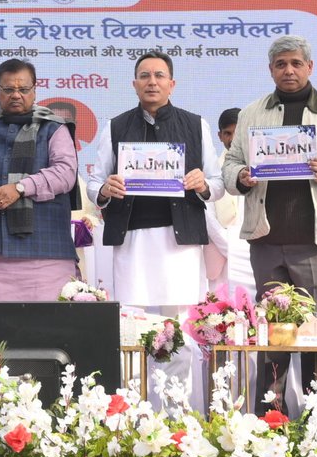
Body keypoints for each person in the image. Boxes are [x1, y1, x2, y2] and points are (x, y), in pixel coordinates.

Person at [220, 37, 317, 408]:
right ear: (270, 69)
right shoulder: (252, 113)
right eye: (280, 64)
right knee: (272, 337)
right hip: (266, 239)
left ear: (310, 67)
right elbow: (230, 164)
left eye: (295, 63)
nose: (288, 70)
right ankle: (270, 421)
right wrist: (240, 176)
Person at [88, 52, 223, 309]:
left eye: (159, 75)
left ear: (172, 84)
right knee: (132, 316)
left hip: (181, 239)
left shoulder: (196, 125)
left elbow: (217, 184)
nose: (152, 82)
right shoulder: (115, 126)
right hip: (132, 238)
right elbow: (94, 184)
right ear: (134, 84)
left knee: (181, 317)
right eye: (144, 76)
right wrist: (105, 190)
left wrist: (203, 185)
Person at [0, 59, 81, 301]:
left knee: (49, 322)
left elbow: (65, 173)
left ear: (35, 90)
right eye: (8, 89)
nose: (16, 95)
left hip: (44, 251)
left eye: (23, 89)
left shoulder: (54, 128)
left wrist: (20, 188)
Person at [204, 108, 241, 285]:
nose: (233, 138)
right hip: (221, 254)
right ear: (219, 136)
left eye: (238, 132)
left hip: (256, 251)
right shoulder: (213, 170)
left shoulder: (263, 168)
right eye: (227, 133)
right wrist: (232, 248)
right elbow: (208, 218)